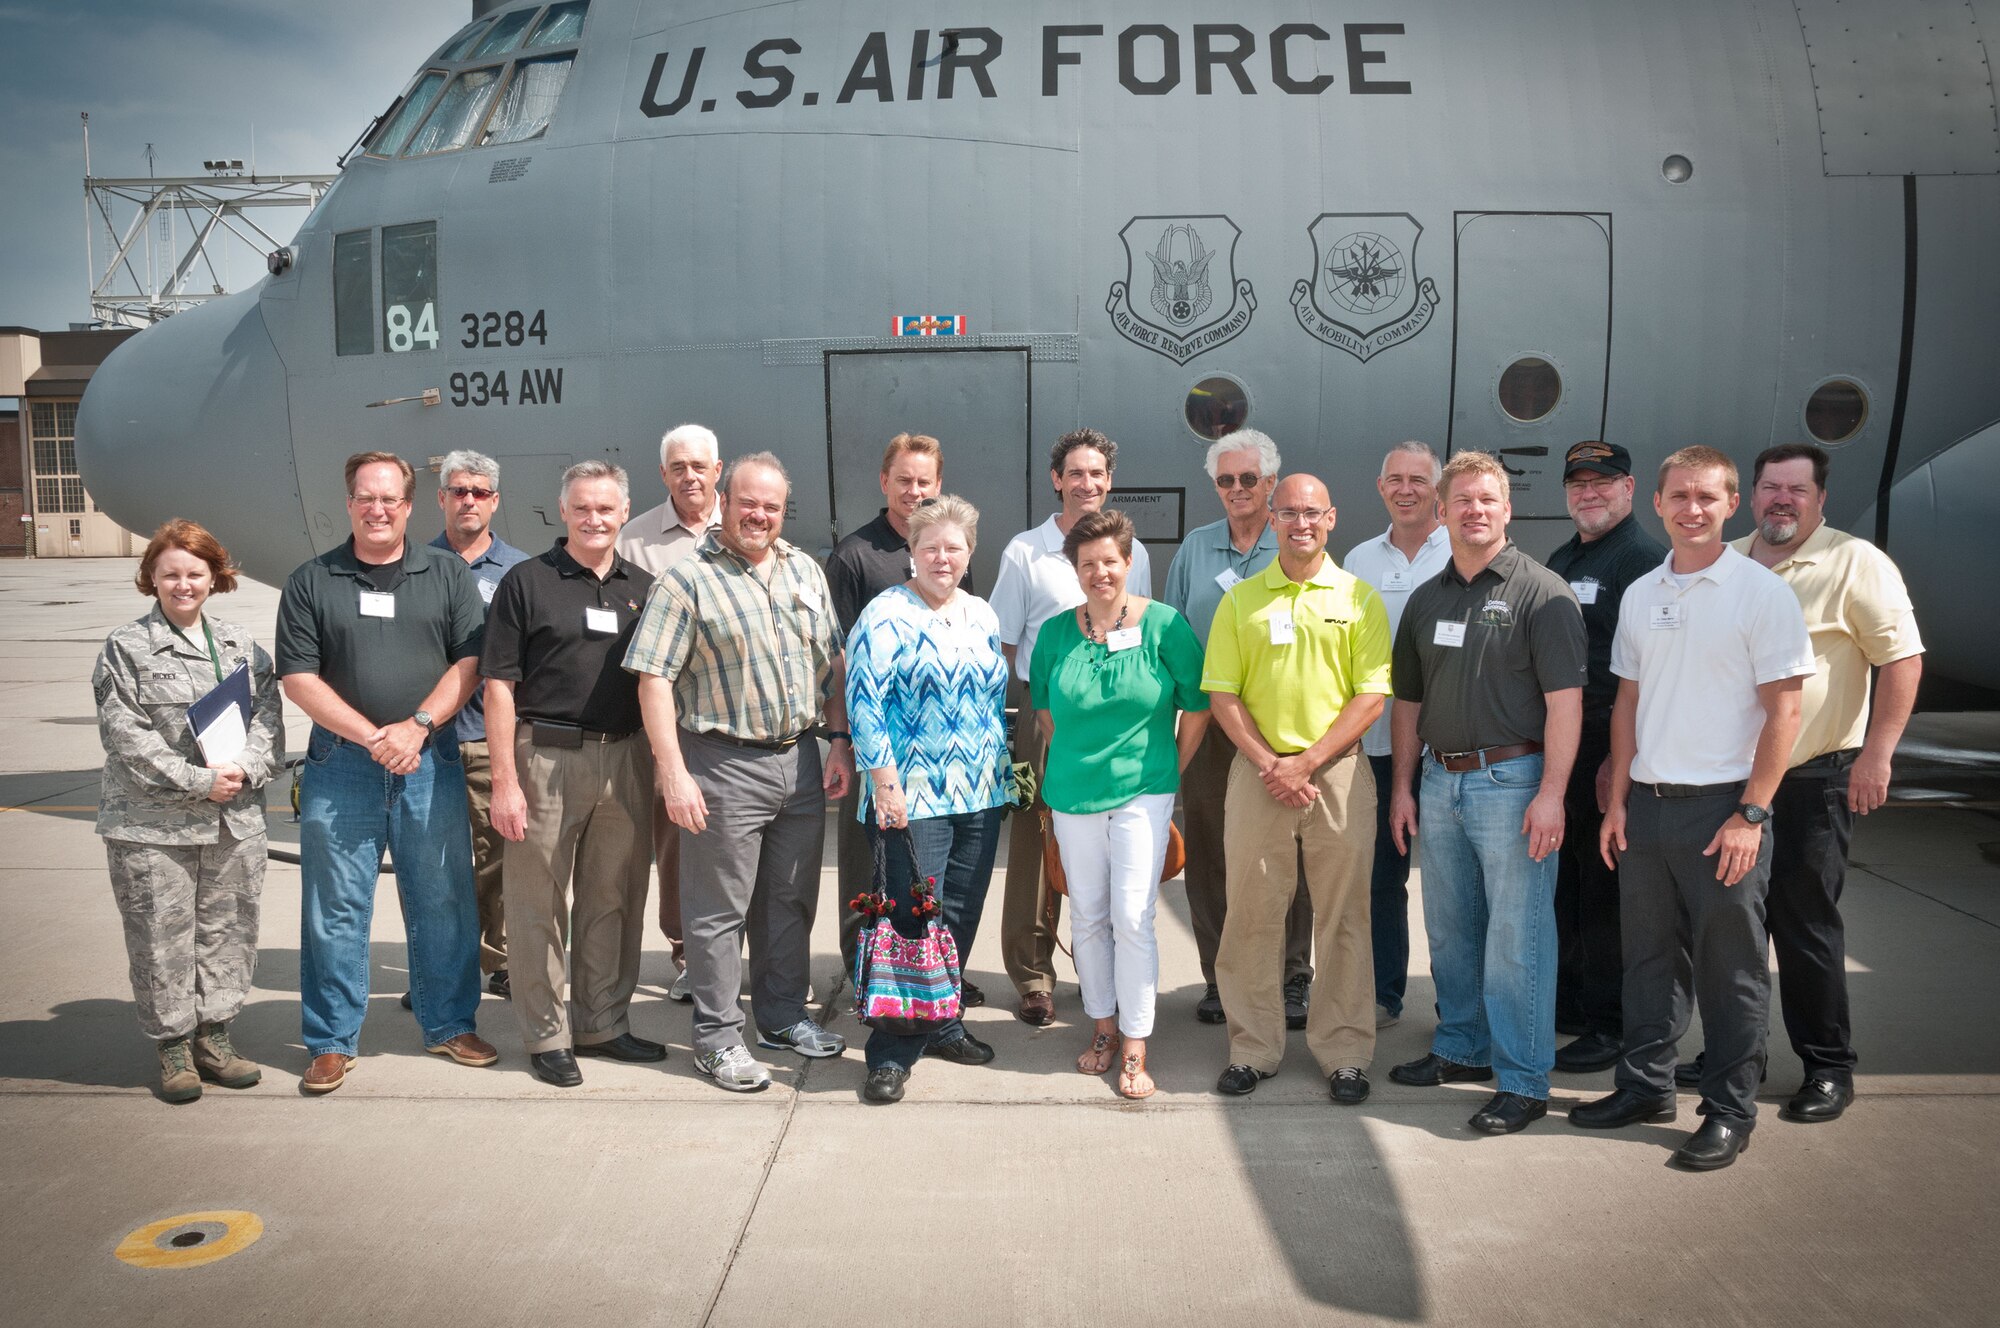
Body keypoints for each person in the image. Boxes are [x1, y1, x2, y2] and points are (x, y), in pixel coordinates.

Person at [1571, 446, 1813, 1171]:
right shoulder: (1645, 592)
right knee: (1647, 959)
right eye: (1679, 496)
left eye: (1707, 497)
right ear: (1659, 504)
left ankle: (1730, 1109)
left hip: (1723, 810)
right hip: (1646, 804)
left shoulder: (1760, 593)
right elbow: (1628, 706)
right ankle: (1644, 1086)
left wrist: (1752, 814)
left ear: (1730, 503)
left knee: (1729, 967)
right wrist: (1616, 803)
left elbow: (1787, 712)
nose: (1692, 509)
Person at [1703, 442, 1921, 1122]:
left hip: (1811, 783)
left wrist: (1877, 754)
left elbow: (1902, 659)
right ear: (1751, 495)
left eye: (1797, 490)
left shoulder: (1854, 562)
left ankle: (1828, 1068)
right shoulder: (1724, 560)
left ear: (1820, 499)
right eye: (1772, 487)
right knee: (1729, 932)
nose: (1782, 500)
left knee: (1804, 930)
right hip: (1728, 782)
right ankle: (1736, 1056)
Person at [624, 452, 854, 1092]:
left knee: (788, 900)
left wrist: (837, 742)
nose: (759, 515)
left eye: (772, 507)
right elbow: (653, 681)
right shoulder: (686, 580)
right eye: (748, 502)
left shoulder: (804, 569)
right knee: (717, 912)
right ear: (724, 501)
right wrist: (673, 772)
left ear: (785, 511)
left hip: (799, 760)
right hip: (722, 763)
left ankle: (781, 1017)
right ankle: (717, 1038)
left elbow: (831, 666)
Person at [277, 451, 497, 1094]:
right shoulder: (313, 580)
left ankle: (450, 1023)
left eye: (390, 499)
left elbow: (469, 663)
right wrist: (375, 736)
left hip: (430, 761)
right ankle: (329, 1040)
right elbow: (298, 678)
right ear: (349, 504)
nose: (378, 509)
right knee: (336, 908)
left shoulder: (448, 574)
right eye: (366, 498)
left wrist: (417, 726)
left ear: (408, 505)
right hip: (341, 766)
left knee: (443, 901)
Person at [1387, 451, 1586, 1135]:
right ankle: (1461, 1045)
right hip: (1439, 781)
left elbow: (1566, 705)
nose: (1474, 509)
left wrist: (1553, 794)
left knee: (1517, 939)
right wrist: (1404, 788)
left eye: (1487, 499)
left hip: (1514, 783)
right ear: (1441, 512)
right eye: (1462, 500)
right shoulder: (1427, 598)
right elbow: (1407, 703)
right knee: (1450, 929)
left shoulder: (1543, 593)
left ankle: (1524, 1079)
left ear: (1508, 510)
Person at [1205, 475, 1393, 1103]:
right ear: (1273, 520)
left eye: (1312, 512)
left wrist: (1308, 761)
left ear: (1332, 518)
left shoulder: (1360, 598)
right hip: (1260, 774)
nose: (1301, 523)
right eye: (1288, 513)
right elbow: (1223, 694)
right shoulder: (1241, 601)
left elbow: (1371, 696)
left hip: (1335, 773)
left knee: (1343, 918)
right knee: (1253, 917)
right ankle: (1253, 1050)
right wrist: (1271, 763)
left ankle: (1344, 1054)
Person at [482, 462, 659, 1088]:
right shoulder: (527, 583)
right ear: (563, 511)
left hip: (626, 758)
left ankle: (603, 1023)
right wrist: (505, 780)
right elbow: (498, 686)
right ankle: (546, 1035)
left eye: (607, 509)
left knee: (614, 897)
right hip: (545, 759)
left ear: (624, 512)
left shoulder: (644, 586)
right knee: (538, 904)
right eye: (583, 508)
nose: (595, 519)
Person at [93, 520, 284, 1102]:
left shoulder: (239, 646)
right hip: (152, 825)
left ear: (214, 576)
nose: (183, 584)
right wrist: (199, 781)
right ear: (151, 577)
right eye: (170, 573)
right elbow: (126, 736)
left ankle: (216, 1038)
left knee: (228, 931)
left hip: (233, 820)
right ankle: (173, 1048)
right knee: (159, 936)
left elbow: (268, 718)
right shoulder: (126, 648)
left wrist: (247, 769)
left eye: (195, 573)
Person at [1031, 510, 1207, 1099]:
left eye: (1110, 561)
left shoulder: (1164, 625)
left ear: (1129, 562)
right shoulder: (1056, 633)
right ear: (1074, 570)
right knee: (1088, 915)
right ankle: (1102, 1026)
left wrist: (1168, 773)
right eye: (1087, 564)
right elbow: (1046, 714)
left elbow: (1198, 704)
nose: (1099, 572)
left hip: (1144, 791)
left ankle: (1135, 1042)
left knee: (1133, 916)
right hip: (1073, 795)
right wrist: (1082, 759)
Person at [844, 495, 1011, 1103]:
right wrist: (885, 784)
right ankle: (890, 1053)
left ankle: (941, 1021)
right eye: (930, 546)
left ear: (970, 553)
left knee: (958, 916)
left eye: (955, 547)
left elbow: (990, 702)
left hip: (978, 794)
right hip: (911, 798)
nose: (943, 557)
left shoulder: (981, 614)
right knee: (910, 923)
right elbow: (863, 701)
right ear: (911, 552)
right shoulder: (887, 614)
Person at [990, 428, 1153, 1027]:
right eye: (1075, 474)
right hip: (1043, 714)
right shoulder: (1024, 551)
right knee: (1037, 842)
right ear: (1057, 480)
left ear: (1110, 481)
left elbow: (1144, 632)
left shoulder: (1133, 550)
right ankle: (1033, 975)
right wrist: (1016, 725)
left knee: (1116, 844)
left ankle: (1106, 977)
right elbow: (1003, 645)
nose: (1087, 484)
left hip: (1118, 719)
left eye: (1097, 474)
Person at [1162, 429, 1315, 1030]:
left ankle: (1292, 977)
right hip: (1207, 724)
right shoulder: (1195, 550)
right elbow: (1171, 639)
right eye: (1225, 480)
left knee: (1287, 854)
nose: (1236, 490)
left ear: (1271, 484)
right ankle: (1220, 978)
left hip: (1281, 726)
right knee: (1209, 853)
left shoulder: (1295, 544)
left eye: (1248, 479)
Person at [1543, 441, 1666, 1072]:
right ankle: (1571, 1002)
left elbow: (1652, 671)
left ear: (1629, 487)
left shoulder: (1644, 560)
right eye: (1578, 484)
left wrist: (1619, 760)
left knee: (1605, 889)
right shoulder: (1565, 556)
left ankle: (1612, 1022)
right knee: (1566, 882)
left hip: (1607, 744)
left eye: (1602, 482)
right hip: (1563, 742)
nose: (1588, 493)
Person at [826, 433, 954, 987]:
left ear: (938, 485)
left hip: (933, 747)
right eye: (904, 479)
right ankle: (862, 968)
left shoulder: (944, 549)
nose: (914, 490)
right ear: (884, 483)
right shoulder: (855, 555)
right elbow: (837, 660)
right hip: (875, 745)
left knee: (924, 863)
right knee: (867, 860)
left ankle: (928, 962)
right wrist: (840, 738)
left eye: (924, 481)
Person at [1341, 441, 1452, 1030]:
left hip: (1450, 751)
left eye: (1418, 480)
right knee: (1381, 879)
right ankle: (1384, 993)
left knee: (1453, 886)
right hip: (1379, 748)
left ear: (1437, 488)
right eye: (1395, 480)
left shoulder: (1461, 550)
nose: (1406, 489)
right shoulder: (1359, 559)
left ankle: (1457, 1004)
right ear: (1380, 487)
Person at [616, 423, 723, 1002]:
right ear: (664, 474)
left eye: (699, 466)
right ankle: (685, 953)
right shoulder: (634, 541)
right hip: (669, 723)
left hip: (733, 723)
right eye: (678, 467)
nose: (689, 476)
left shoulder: (745, 526)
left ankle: (741, 954)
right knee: (677, 842)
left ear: (717, 470)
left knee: (739, 843)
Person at [426, 450, 529, 1002]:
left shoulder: (518, 570)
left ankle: (504, 960)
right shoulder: (412, 564)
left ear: (495, 501)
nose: (469, 500)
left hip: (491, 742)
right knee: (434, 865)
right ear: (441, 497)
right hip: (428, 742)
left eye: (481, 492)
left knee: (498, 860)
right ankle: (441, 967)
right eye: (459, 491)